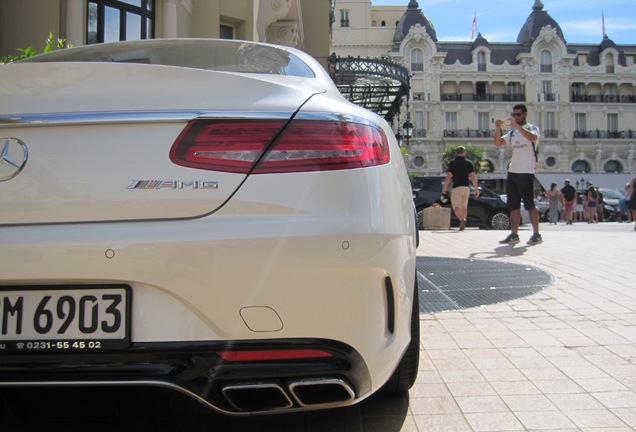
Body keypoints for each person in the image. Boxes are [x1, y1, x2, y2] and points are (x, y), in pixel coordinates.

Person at [494, 104, 542, 245]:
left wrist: (517, 126)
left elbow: (532, 138)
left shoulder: (532, 128)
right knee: (513, 205)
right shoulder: (512, 132)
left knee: (529, 204)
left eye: (518, 114)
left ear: (525, 114)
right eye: (514, 114)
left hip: (526, 170)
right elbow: (498, 143)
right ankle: (514, 234)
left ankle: (536, 234)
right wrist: (497, 129)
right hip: (513, 171)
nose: (516, 117)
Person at [441, 146, 480, 231]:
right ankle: (463, 224)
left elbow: (448, 176)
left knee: (456, 207)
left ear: (456, 153)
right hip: (466, 187)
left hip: (457, 187)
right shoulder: (469, 163)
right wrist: (476, 189)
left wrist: (444, 187)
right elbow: (473, 176)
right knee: (464, 207)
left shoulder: (452, 163)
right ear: (464, 152)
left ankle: (462, 220)